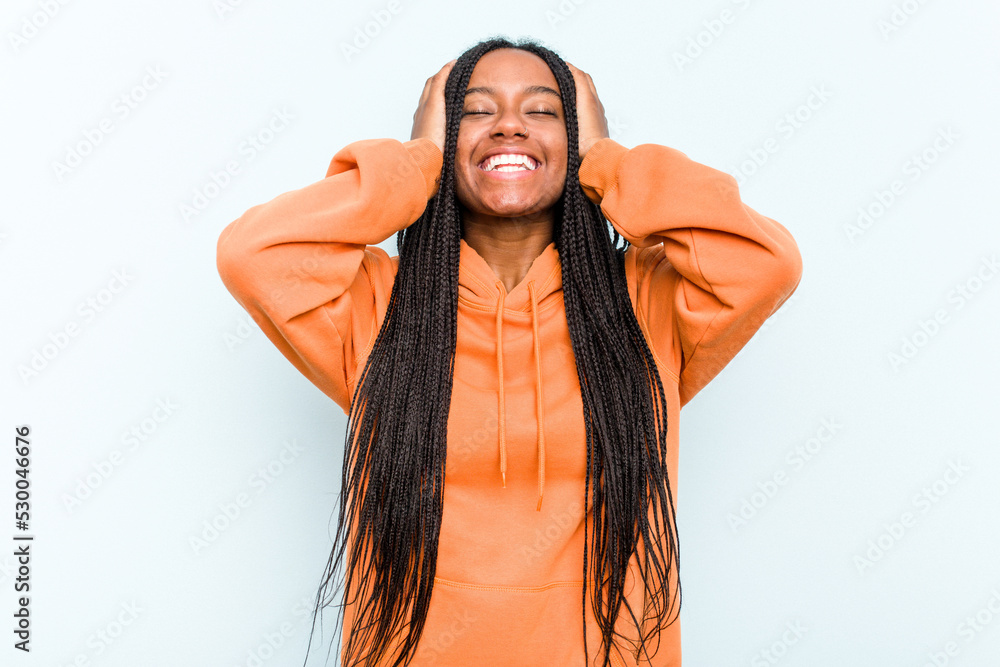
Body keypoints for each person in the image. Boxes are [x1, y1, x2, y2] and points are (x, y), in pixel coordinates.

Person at [216, 36, 802, 667]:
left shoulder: (644, 304)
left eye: (544, 111)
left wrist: (606, 161)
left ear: (574, 141)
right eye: (475, 111)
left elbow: (766, 263)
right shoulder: (376, 307)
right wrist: (416, 161)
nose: (510, 126)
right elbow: (252, 255)